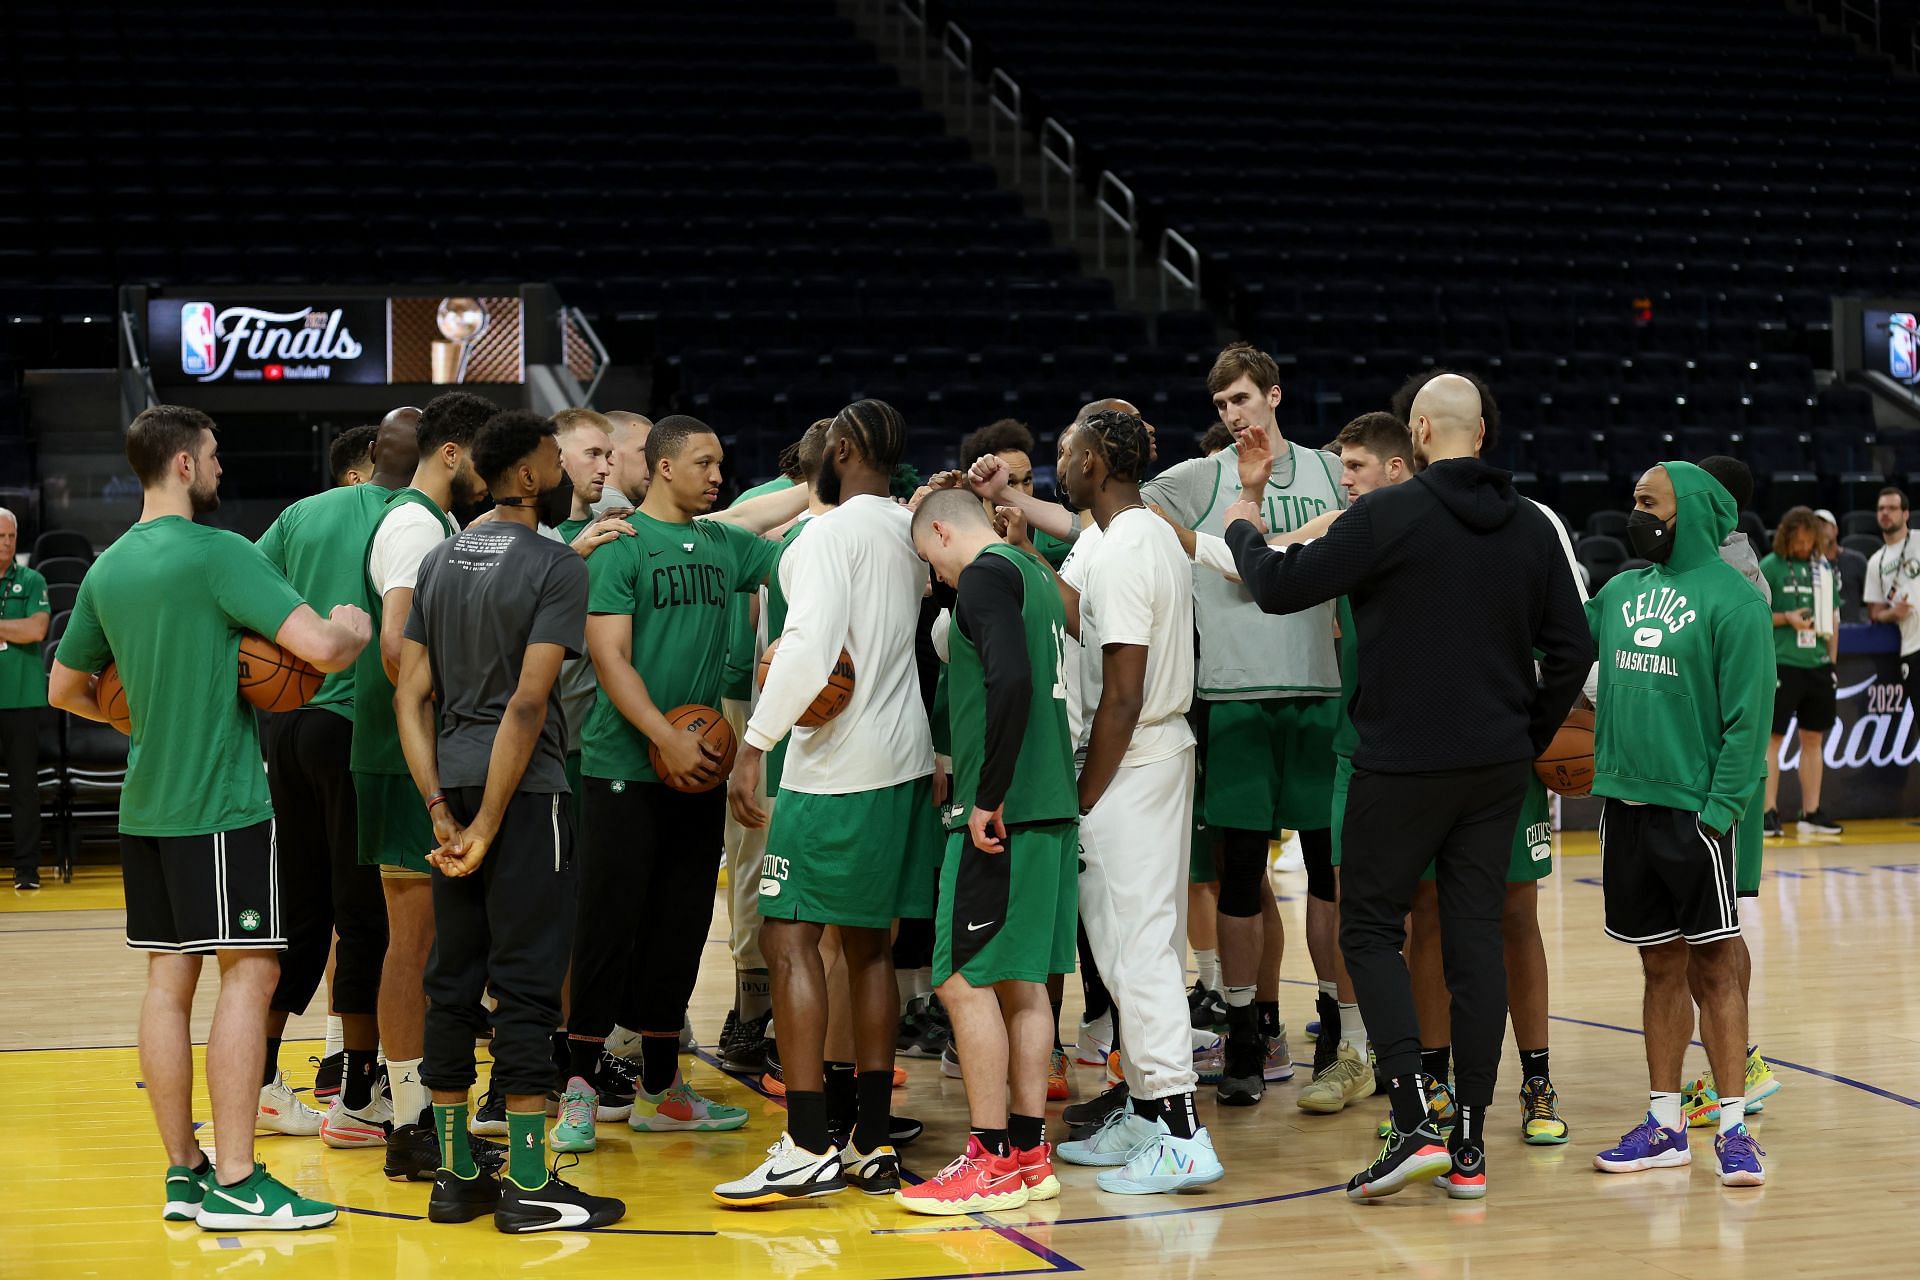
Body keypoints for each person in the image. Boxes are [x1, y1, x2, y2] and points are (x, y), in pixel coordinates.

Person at [1222, 373, 1591, 1203]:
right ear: (1481, 435)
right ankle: (1469, 1146)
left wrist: (1246, 530)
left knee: (1369, 933)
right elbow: (1572, 649)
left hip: (1400, 766)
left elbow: (1280, 589)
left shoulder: (1388, 515)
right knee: (1474, 944)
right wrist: (1524, 736)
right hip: (1496, 770)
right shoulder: (1532, 526)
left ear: (1419, 431)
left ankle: (1412, 1117)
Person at [48, 404, 371, 1230]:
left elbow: (66, 689)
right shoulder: (219, 553)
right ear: (185, 464)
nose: (222, 467)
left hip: (145, 807)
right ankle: (237, 1180)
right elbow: (322, 652)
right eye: (215, 455)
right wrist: (351, 626)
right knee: (252, 972)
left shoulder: (108, 567)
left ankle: (185, 1175)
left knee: (167, 983)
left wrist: (144, 716)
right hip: (219, 805)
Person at [393, 408, 625, 1233]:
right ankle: (530, 1186)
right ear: (526, 475)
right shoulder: (555, 564)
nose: (561, 467)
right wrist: (490, 820)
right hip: (522, 798)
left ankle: (456, 1178)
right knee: (528, 984)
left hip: (450, 793)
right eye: (553, 458)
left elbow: (410, 694)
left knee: (452, 982)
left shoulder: (439, 557)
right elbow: (529, 704)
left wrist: (442, 810)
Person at [716, 400, 940, 1205]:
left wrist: (754, 747)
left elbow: (811, 650)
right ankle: (871, 1142)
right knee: (871, 949)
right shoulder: (903, 532)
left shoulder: (825, 536)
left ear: (840, 450)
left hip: (833, 769)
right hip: (902, 759)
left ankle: (807, 1142)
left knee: (788, 939)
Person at [557, 414, 775, 1153]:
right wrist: (665, 737)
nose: (718, 476)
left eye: (722, 464)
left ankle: (659, 1089)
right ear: (663, 468)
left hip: (699, 770)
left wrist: (838, 499)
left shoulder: (722, 545)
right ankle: (579, 1087)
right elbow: (610, 658)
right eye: (706, 464)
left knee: (681, 927)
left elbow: (785, 542)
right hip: (624, 765)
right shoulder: (620, 547)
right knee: (606, 926)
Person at [1140, 343, 1347, 1107]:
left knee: (1329, 874)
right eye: (1222, 405)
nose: (1232, 416)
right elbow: (1117, 517)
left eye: (1243, 400)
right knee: (1235, 877)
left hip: (1320, 692)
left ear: (1274, 395)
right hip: (1232, 693)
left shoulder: (1330, 470)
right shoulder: (1201, 478)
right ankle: (1245, 1032)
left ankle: (1334, 1020)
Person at [1041, 407, 1222, 1195]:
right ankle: (1149, 1114)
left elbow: (1120, 694)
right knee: (1127, 948)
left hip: (1131, 757)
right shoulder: (1132, 535)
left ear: (1094, 463)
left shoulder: (1125, 548)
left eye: (1065, 451)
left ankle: (1181, 1134)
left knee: (1140, 952)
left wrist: (1083, 798)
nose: (1058, 461)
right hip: (1154, 752)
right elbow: (1073, 611)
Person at [1587, 461, 1772, 1189]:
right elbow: (1557, 642)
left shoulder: (1736, 602)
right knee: (1657, 965)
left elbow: (1747, 723)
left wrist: (1717, 814)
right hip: (1623, 809)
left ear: (1688, 510)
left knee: (1714, 968)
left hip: (1695, 815)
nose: (1634, 514)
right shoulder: (1621, 591)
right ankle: (1665, 1124)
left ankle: (1733, 1128)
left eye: (1647, 502)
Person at [897, 490, 1077, 1214]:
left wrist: (987, 795)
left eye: (928, 559)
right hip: (1052, 804)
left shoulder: (981, 576)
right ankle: (1030, 1154)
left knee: (961, 982)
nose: (935, 577)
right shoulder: (1031, 569)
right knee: (1024, 983)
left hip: (1006, 812)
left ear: (942, 530)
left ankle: (989, 1157)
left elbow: (1012, 681)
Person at [254, 412, 419, 1142]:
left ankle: (259, 1077)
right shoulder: (415, 517)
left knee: (301, 913)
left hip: (285, 725)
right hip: (353, 726)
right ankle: (357, 1095)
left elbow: (251, 603)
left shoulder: (298, 513)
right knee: (365, 919)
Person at [345, 390, 497, 1174]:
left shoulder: (432, 523)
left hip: (414, 752)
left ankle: (417, 1117)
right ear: (451, 455)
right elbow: (398, 651)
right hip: (406, 753)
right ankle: (411, 1124)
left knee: (427, 937)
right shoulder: (412, 524)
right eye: (483, 458)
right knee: (415, 940)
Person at [1686, 455, 1783, 1131]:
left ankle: (1741, 1062)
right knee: (1720, 925)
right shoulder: (1724, 558)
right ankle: (1739, 1059)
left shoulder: (1731, 572)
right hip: (1724, 771)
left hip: (1723, 774)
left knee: (1715, 933)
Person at [1759, 506, 1842, 837]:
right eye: (1800, 539)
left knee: (1813, 738)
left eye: (1810, 539)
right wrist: (1787, 618)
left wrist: (1832, 662)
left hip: (1817, 664)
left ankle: (1811, 812)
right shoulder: (1770, 567)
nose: (1805, 545)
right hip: (1783, 662)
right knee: (1773, 739)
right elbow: (1756, 615)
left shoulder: (1823, 570)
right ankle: (1768, 813)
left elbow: (1834, 620)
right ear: (1787, 537)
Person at [0, 507, 50, 891]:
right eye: (0, 537)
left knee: (24, 787)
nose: (6, 543)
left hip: (22, 698)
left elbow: (36, 629)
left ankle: (27, 869)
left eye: (11, 537)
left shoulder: (32, 580)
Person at [958, 418, 1072, 569]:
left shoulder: (1057, 532)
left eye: (1027, 480)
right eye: (1010, 482)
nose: (1021, 493)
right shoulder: (961, 540)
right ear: (981, 482)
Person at [1864, 487, 1920, 716]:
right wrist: (1893, 613)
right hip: (1912, 647)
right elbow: (1875, 613)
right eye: (1881, 509)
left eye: (1892, 508)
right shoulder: (1876, 562)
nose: (1885, 513)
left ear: (1905, 514)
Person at [594, 411, 653, 513]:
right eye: (645, 451)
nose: (654, 462)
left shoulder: (591, 502)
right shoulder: (613, 506)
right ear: (609, 453)